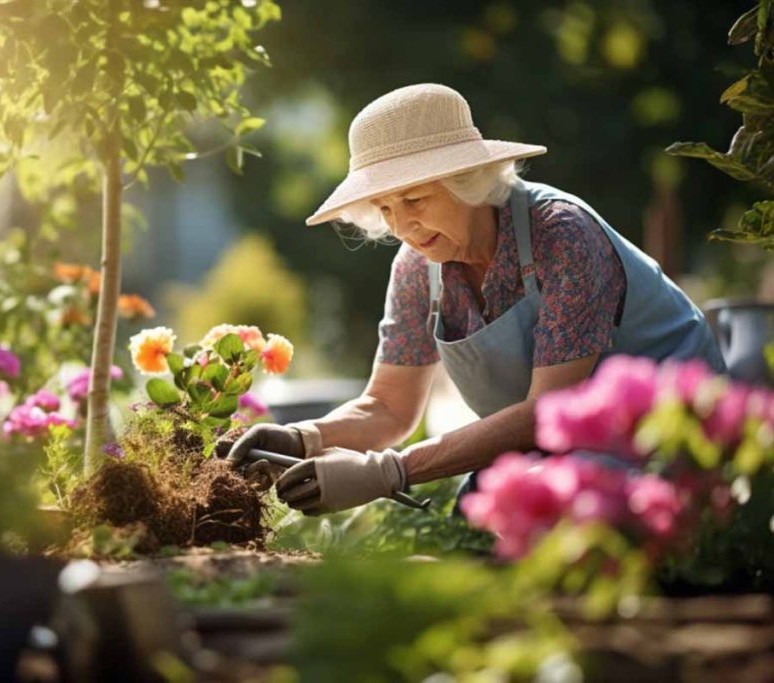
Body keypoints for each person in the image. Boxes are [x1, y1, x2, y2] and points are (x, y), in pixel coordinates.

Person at [223, 84, 725, 515]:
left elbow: (546, 410)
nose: (401, 226)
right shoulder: (417, 267)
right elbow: (388, 406)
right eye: (385, 207)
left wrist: (391, 471)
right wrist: (303, 438)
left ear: (469, 179)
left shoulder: (561, 234)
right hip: (561, 454)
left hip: (674, 443)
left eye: (415, 200)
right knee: (478, 513)